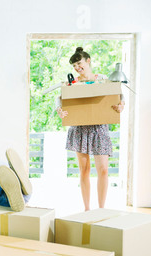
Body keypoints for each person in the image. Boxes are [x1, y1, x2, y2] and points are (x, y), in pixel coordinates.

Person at [56, 47, 125, 211]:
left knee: (103, 170)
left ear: (88, 61)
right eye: (74, 66)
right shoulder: (72, 83)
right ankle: (87, 209)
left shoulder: (102, 79)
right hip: (80, 129)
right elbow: (60, 99)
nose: (77, 67)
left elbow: (118, 94)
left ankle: (101, 208)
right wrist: (60, 109)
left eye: (79, 63)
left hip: (99, 129)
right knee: (84, 170)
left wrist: (121, 104)